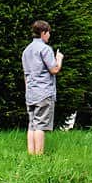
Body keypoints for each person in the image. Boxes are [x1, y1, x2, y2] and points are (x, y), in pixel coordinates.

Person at [21, 19, 62, 155]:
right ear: (43, 32)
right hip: (44, 92)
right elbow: (54, 69)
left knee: (32, 125)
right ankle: (39, 156)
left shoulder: (26, 50)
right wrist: (59, 59)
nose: (49, 35)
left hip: (31, 92)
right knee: (40, 126)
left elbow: (26, 74)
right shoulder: (45, 49)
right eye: (48, 32)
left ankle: (31, 154)